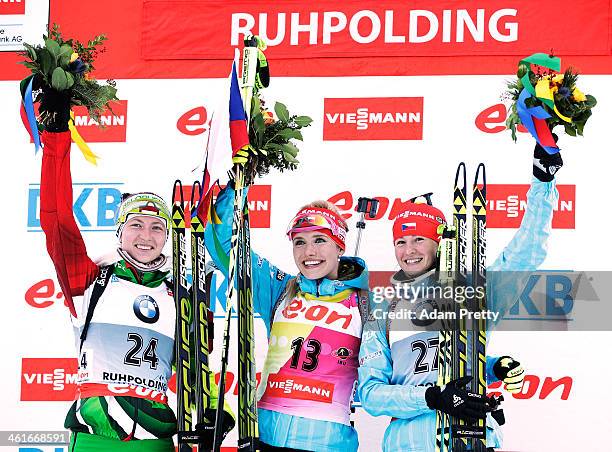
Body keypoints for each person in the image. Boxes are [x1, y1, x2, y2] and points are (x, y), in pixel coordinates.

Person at [37, 87, 232, 451]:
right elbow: (57, 219)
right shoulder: (89, 279)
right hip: (98, 432)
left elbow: (195, 367)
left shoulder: (182, 295)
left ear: (168, 237)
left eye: (157, 227)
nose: (147, 235)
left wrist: (207, 413)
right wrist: (57, 135)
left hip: (155, 436)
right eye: (136, 225)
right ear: (120, 232)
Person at [358, 140, 563, 451]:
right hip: (407, 443)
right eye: (401, 241)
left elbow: (526, 254)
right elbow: (371, 394)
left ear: (440, 243)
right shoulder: (385, 309)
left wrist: (543, 181)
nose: (409, 250)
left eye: (419, 239)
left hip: (471, 436)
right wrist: (431, 398)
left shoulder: (476, 292)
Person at [205, 186, 369, 451]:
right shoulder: (279, 289)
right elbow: (221, 244)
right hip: (265, 439)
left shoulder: (365, 303)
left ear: (339, 246)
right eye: (299, 242)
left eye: (319, 240)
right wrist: (239, 183)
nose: (309, 252)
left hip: (327, 444)